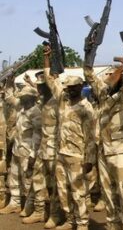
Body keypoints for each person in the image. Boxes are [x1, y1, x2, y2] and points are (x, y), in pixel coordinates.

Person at [43, 45, 95, 230]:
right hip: (61, 153)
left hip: (77, 156)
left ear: (81, 87)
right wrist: (47, 57)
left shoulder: (86, 108)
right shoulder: (62, 100)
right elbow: (50, 80)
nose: (70, 90)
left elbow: (91, 137)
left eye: (73, 87)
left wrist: (89, 161)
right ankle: (70, 219)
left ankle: (82, 223)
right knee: (63, 190)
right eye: (68, 87)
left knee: (78, 192)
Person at [83, 61, 123, 229]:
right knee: (108, 194)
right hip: (103, 152)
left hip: (119, 152)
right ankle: (112, 225)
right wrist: (89, 52)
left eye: (113, 74)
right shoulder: (103, 97)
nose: (109, 77)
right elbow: (89, 75)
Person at [22, 72, 61, 228]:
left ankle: (55, 215)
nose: (38, 88)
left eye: (41, 86)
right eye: (37, 85)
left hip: (53, 150)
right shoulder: (42, 102)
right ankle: (39, 212)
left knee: (54, 185)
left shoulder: (57, 103)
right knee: (38, 180)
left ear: (47, 87)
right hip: (42, 149)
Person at [0, 81, 41, 216]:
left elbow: (37, 136)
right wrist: (10, 82)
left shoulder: (35, 112)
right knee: (14, 178)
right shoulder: (21, 108)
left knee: (28, 180)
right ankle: (15, 204)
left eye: (24, 97)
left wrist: (33, 155)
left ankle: (31, 207)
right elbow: (9, 97)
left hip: (27, 151)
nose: (21, 98)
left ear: (32, 97)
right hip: (17, 149)